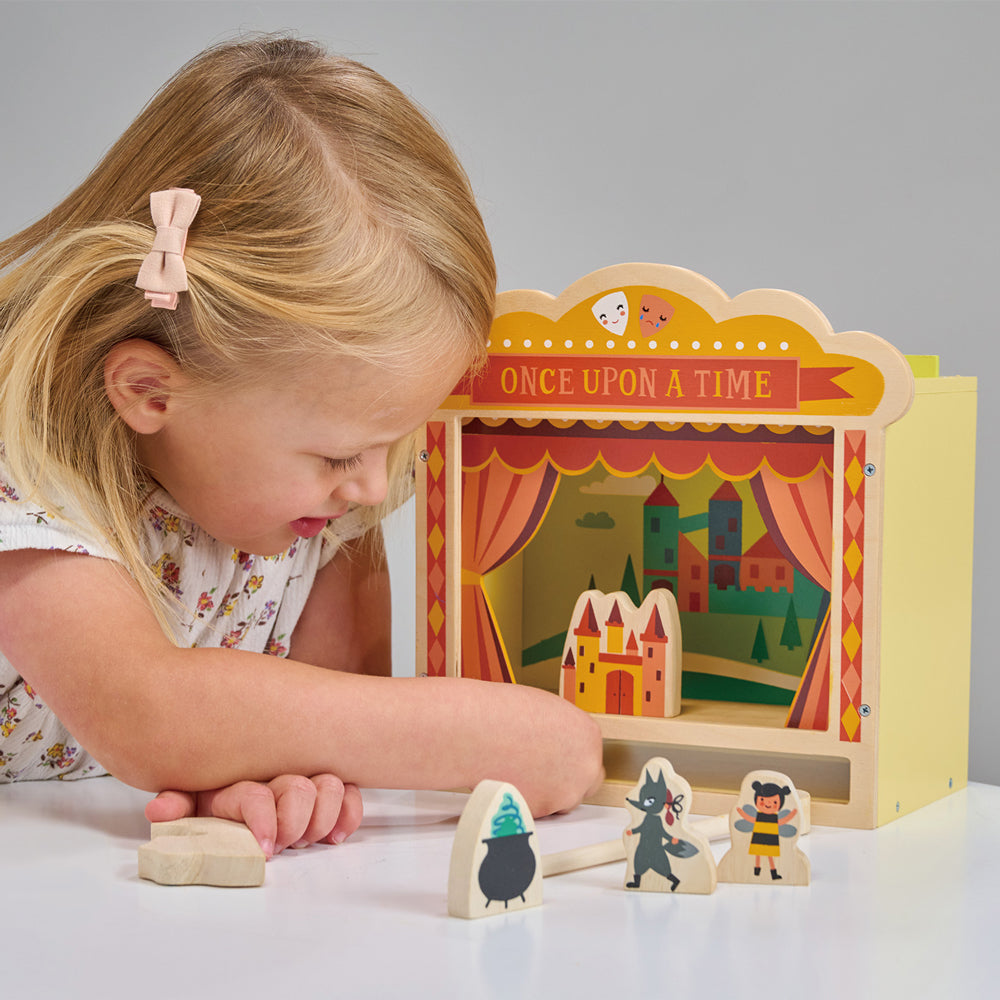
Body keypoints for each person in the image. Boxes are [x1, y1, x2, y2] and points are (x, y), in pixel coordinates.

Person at [0, 36, 603, 859]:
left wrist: (259, 773)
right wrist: (494, 734)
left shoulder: (323, 506)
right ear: (149, 393)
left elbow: (328, 706)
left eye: (394, 443)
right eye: (336, 456)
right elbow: (150, 714)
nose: (371, 486)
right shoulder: (25, 483)